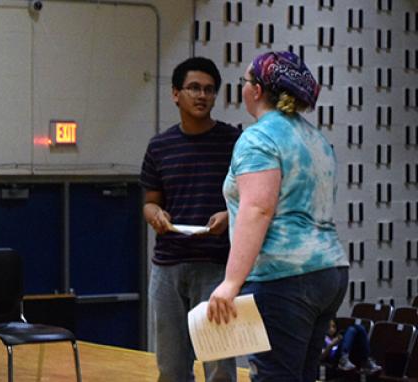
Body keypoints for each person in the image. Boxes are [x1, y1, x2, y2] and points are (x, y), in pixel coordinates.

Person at [207, 51, 350, 381]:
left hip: (284, 276)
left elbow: (257, 209)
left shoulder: (259, 138)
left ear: (256, 90)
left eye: (244, 81)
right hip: (330, 272)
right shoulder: (315, 138)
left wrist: (231, 282)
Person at [140, 57, 239, 382]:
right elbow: (150, 203)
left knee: (220, 367)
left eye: (209, 90)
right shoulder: (160, 146)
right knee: (170, 367)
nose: (202, 95)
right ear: (175, 94)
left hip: (216, 267)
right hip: (168, 265)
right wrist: (156, 215)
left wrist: (228, 214)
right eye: (194, 88)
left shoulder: (234, 142)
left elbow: (252, 200)